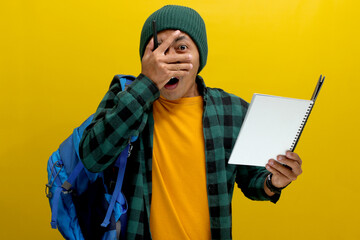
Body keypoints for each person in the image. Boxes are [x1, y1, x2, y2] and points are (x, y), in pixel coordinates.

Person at [79, 5, 303, 240]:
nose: (170, 58)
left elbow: (252, 181)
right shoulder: (126, 96)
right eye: (158, 49)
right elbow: (92, 158)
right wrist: (145, 84)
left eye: (181, 47)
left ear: (199, 58)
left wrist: (274, 181)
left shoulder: (232, 110)